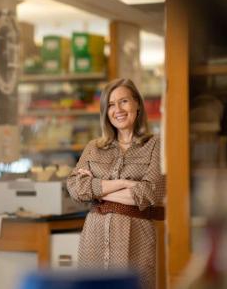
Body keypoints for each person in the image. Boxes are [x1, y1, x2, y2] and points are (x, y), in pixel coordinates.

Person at [67, 78, 165, 289]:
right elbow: (75, 187)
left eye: (123, 102)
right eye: (111, 105)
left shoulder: (156, 144)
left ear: (137, 104)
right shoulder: (94, 147)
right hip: (94, 236)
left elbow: (151, 192)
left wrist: (96, 190)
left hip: (136, 236)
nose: (117, 109)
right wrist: (124, 183)